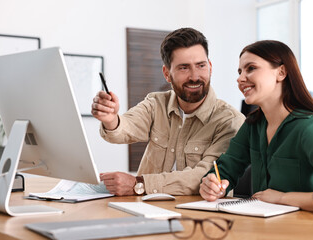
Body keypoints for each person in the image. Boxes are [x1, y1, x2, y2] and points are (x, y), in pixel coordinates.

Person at [200, 40, 313, 215]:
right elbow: (225, 170)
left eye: (251, 68)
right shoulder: (252, 126)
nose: (240, 78)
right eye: (240, 71)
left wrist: (282, 198)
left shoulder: (309, 128)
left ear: (281, 72)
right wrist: (213, 184)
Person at [91, 27, 245, 196]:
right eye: (184, 68)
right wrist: (110, 118)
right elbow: (125, 128)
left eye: (201, 65)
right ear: (167, 73)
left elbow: (205, 176)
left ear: (210, 66)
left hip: (201, 217)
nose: (194, 76)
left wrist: (138, 184)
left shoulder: (230, 121)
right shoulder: (156, 103)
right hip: (148, 210)